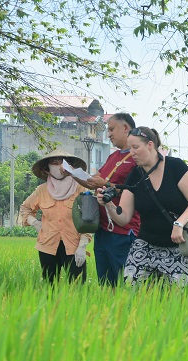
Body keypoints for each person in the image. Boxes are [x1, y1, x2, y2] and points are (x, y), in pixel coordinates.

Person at [102, 127, 188, 287]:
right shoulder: (134, 175)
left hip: (181, 245)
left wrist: (179, 223)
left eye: (135, 147)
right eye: (130, 148)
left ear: (150, 145)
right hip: (146, 244)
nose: (132, 153)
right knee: (131, 291)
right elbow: (123, 218)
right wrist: (108, 204)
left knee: (186, 298)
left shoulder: (175, 167)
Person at [70, 112, 141, 286]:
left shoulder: (137, 159)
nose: (108, 134)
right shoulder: (113, 156)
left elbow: (135, 191)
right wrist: (72, 173)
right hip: (102, 228)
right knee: (105, 281)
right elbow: (93, 182)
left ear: (126, 128)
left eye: (111, 129)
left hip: (123, 230)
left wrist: (106, 184)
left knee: (124, 281)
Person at [18, 148, 91, 284]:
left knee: (78, 288)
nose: (60, 166)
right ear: (47, 169)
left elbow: (88, 219)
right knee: (50, 287)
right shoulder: (41, 190)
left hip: (74, 246)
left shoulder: (81, 189)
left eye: (63, 162)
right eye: (55, 163)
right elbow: (25, 208)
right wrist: (35, 222)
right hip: (48, 245)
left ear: (70, 167)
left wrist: (82, 246)